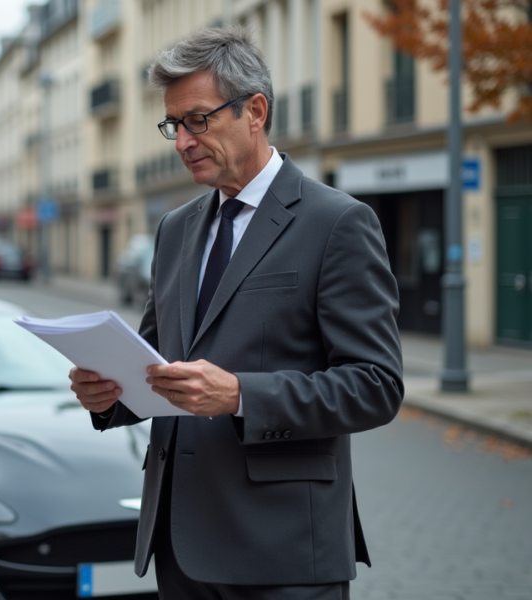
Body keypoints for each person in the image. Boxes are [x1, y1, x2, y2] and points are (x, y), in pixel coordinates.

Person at [69, 27, 403, 600]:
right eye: (174, 125)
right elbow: (155, 364)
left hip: (283, 554)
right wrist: (111, 394)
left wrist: (241, 395)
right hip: (179, 546)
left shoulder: (337, 223)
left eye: (197, 119)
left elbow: (375, 385)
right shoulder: (175, 229)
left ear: (255, 111)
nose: (182, 141)